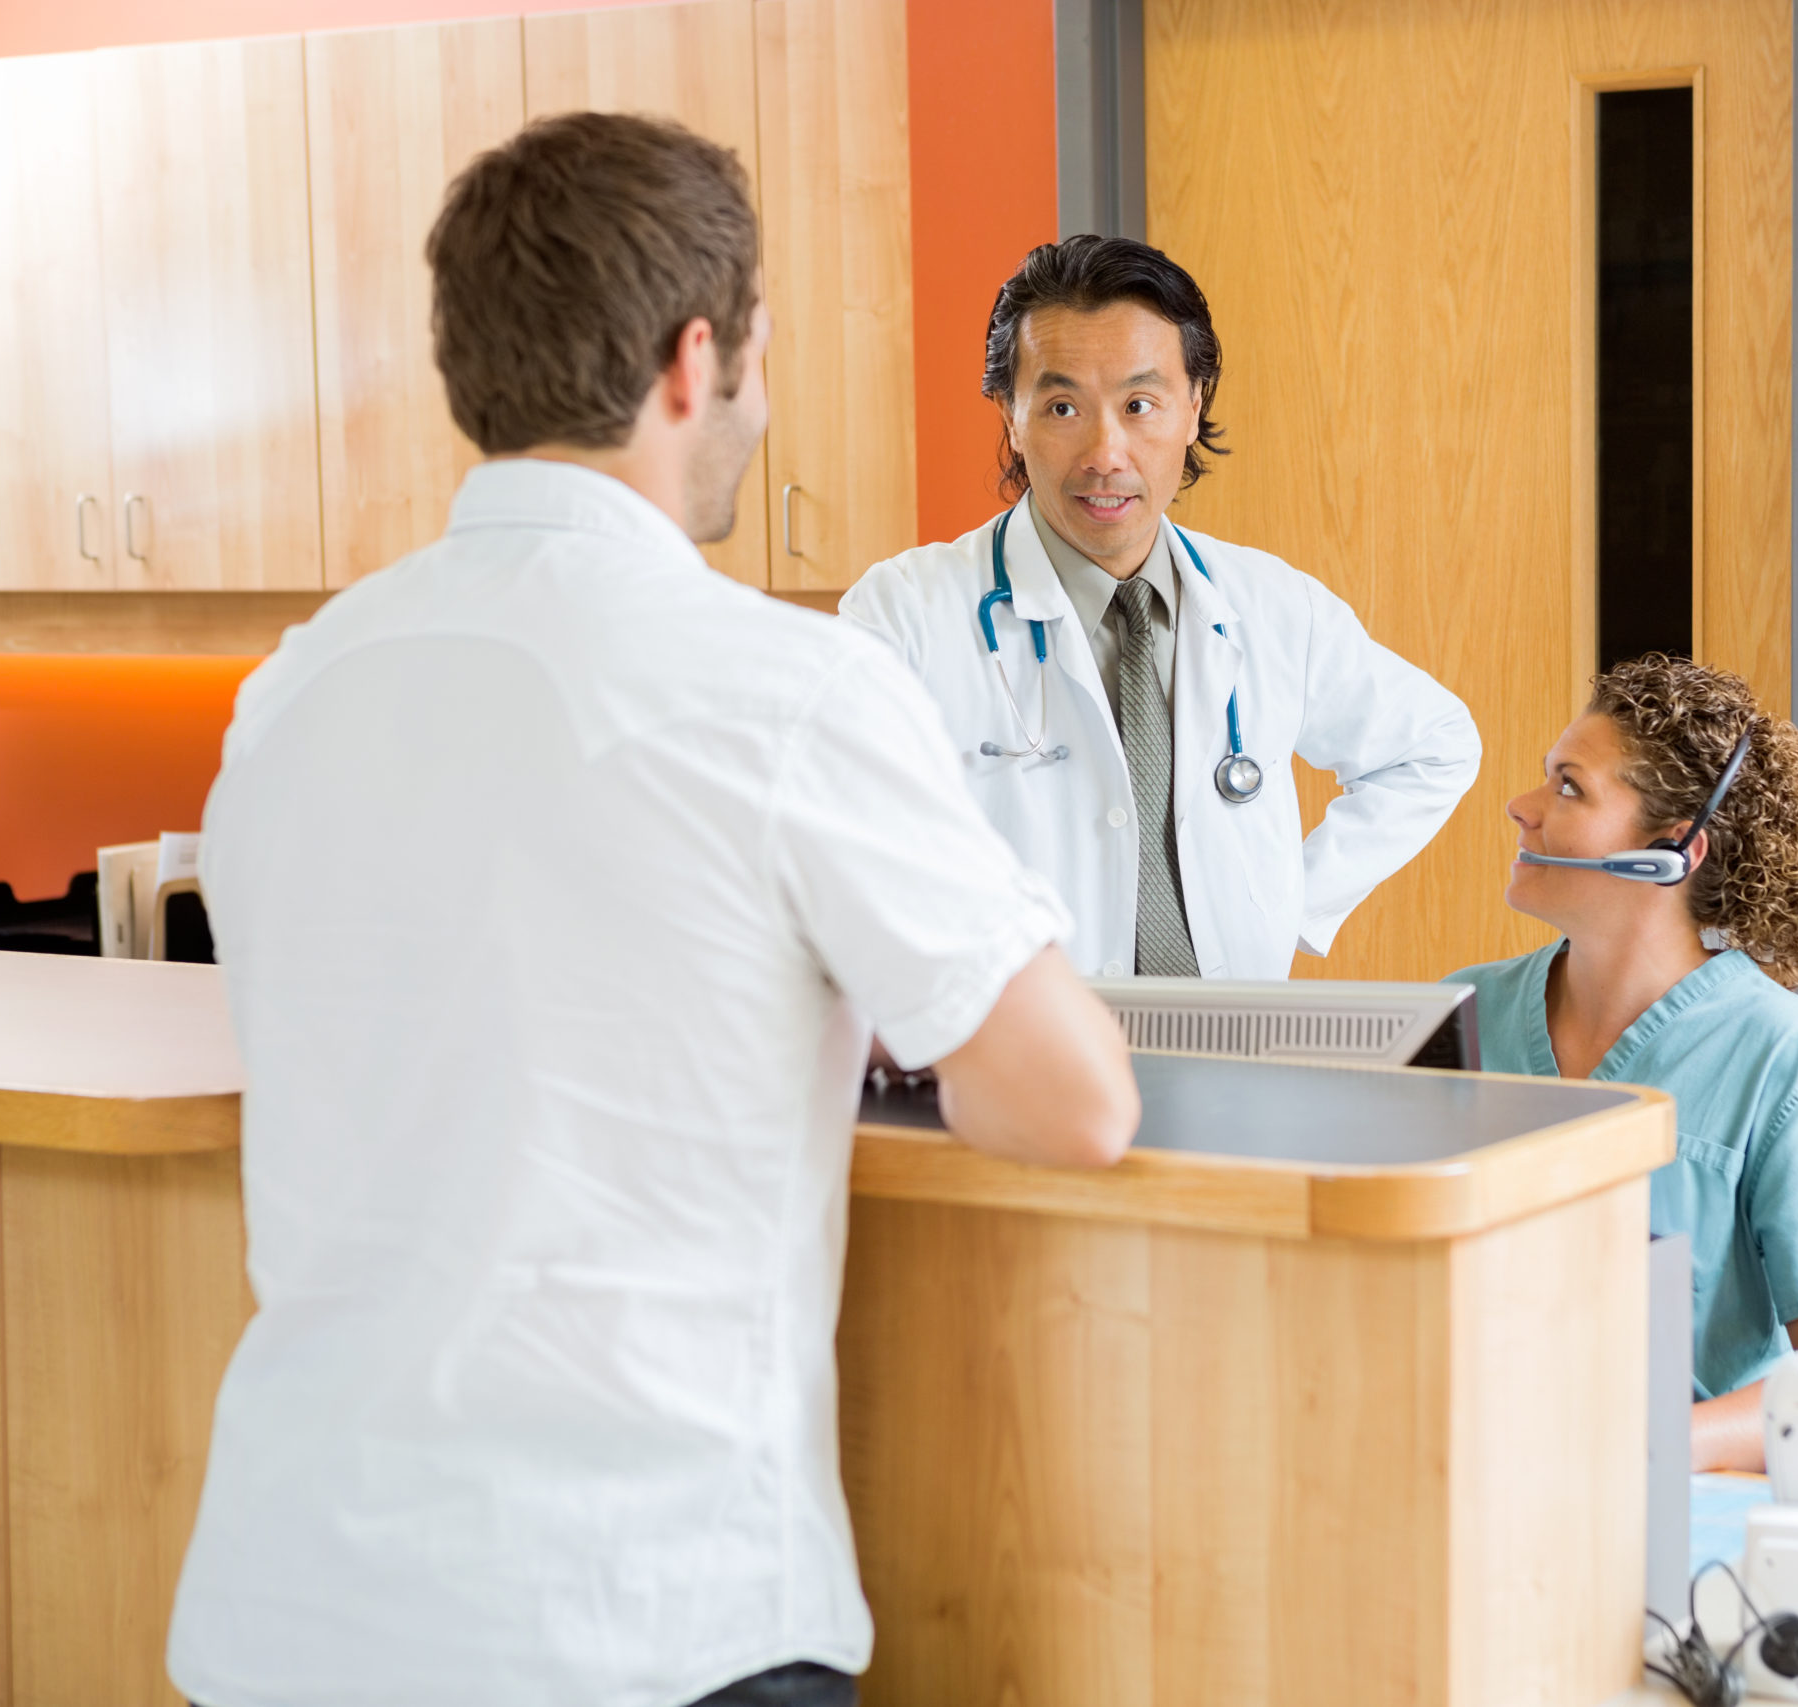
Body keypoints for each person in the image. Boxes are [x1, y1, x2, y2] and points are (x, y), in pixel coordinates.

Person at [166, 113, 1138, 1707]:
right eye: (755, 353)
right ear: (697, 361)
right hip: (633, 1624)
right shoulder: (786, 686)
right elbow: (1073, 1097)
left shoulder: (294, 690)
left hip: (290, 1616)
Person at [841, 236, 1480, 980]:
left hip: (1235, 1057)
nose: (1106, 452)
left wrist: (1293, 904)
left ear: (1193, 405)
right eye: (1061, 405)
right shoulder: (905, 613)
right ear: (1009, 415)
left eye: (1140, 404)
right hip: (1028, 1057)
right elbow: (839, 836)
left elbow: (1435, 744)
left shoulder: (1272, 606)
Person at [1445, 653, 1798, 1473]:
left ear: (1671, 849)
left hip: (1685, 1513)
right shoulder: (1465, 1015)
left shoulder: (1783, 1058)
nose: (1520, 808)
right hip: (1479, 1476)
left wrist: (1643, 1446)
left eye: (1570, 787)